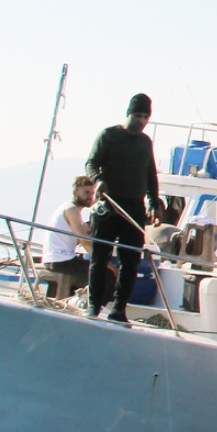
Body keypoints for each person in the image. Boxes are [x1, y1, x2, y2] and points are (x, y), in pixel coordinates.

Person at [84, 93, 161, 323]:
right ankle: (94, 305)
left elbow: (150, 174)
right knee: (100, 257)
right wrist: (97, 179)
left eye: (146, 116)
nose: (141, 120)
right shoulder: (109, 135)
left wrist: (154, 202)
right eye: (138, 115)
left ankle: (119, 309)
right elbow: (91, 163)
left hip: (134, 207)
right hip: (109, 204)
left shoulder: (146, 142)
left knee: (131, 261)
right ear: (129, 113)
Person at [39, 174, 97, 296]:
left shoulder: (70, 209)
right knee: (103, 271)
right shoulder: (72, 210)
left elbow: (77, 238)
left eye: (92, 194)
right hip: (60, 260)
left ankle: (76, 297)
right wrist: (103, 262)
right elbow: (84, 241)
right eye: (86, 192)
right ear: (75, 192)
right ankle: (97, 306)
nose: (90, 197)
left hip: (58, 258)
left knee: (94, 266)